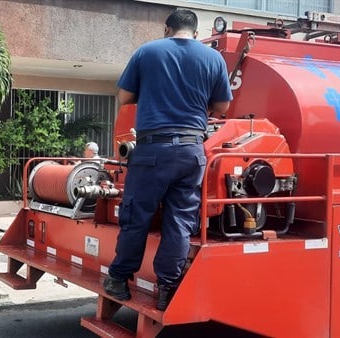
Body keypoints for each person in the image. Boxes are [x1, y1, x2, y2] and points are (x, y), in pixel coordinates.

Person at [103, 9, 232, 310]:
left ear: (167, 29)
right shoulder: (213, 59)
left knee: (136, 217)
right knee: (180, 223)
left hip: (152, 149)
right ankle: (167, 290)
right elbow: (223, 106)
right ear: (196, 33)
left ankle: (119, 280)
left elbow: (124, 98)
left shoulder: (147, 52)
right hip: (191, 151)